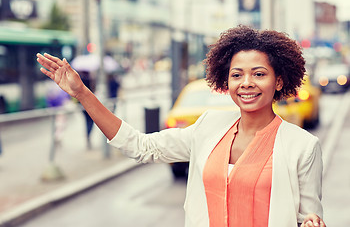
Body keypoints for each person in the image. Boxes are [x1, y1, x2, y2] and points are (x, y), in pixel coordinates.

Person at [36, 25, 326, 227]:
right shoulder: (209, 126)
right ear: (227, 82)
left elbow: (307, 217)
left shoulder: (302, 146)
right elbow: (140, 147)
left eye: (259, 74)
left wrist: (312, 223)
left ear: (278, 81)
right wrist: (83, 94)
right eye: (237, 75)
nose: (247, 83)